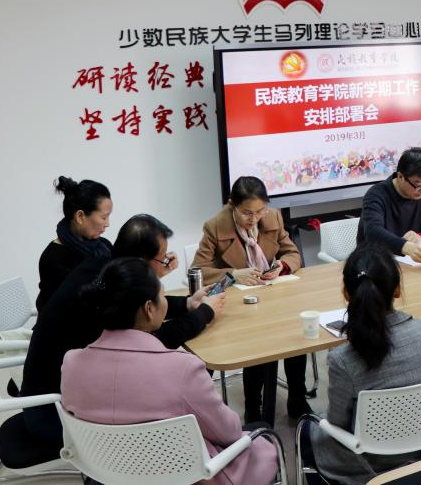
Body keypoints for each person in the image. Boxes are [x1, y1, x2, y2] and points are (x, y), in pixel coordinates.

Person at [61, 258, 276, 485]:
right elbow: (229, 433)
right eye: (163, 295)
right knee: (262, 434)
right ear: (149, 309)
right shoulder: (181, 369)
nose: (165, 301)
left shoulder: (72, 364)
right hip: (188, 477)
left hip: (107, 475)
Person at [20, 214, 224, 446]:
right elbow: (151, 342)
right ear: (141, 260)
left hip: (69, 394)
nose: (165, 264)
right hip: (56, 410)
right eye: (161, 259)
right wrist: (203, 313)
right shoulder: (100, 289)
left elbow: (147, 312)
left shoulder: (105, 271)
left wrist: (188, 304)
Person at [301, 244, 421, 485]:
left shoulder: (342, 359)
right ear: (397, 290)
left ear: (347, 293)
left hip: (371, 465)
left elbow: (336, 424)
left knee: (308, 425)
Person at [193, 175, 306, 422]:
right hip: (237, 305)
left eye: (259, 211)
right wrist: (233, 274)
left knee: (296, 333)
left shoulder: (273, 217)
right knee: (257, 344)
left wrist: (282, 266)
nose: (254, 219)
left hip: (272, 296)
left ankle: (298, 397)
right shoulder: (215, 226)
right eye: (246, 213)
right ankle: (253, 407)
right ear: (232, 205)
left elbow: (292, 253)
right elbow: (198, 270)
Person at [357, 147, 421, 263]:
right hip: (377, 263)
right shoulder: (376, 194)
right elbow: (373, 232)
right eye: (418, 184)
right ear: (400, 176)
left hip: (412, 264)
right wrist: (406, 246)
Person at [36, 176, 112, 312]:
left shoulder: (103, 245)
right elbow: (76, 309)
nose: (107, 224)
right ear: (80, 216)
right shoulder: (53, 259)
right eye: (104, 217)